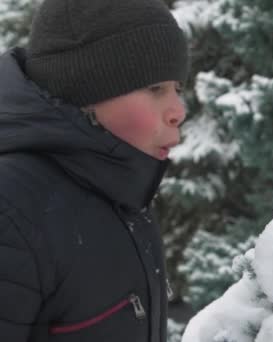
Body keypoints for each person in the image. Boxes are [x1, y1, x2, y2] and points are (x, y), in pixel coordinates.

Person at [0, 0, 189, 341]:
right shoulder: (12, 207)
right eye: (155, 88)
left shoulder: (123, 187)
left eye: (178, 87)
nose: (178, 110)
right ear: (86, 90)